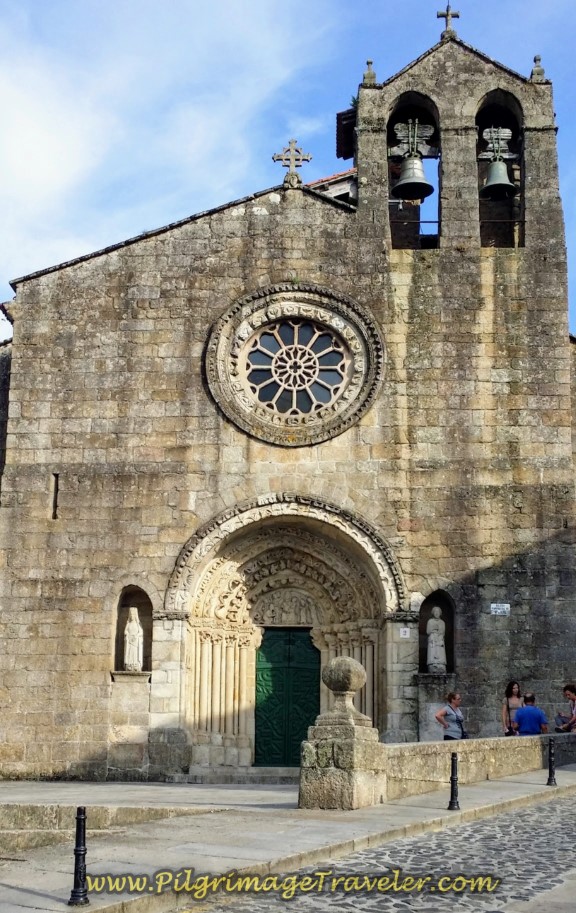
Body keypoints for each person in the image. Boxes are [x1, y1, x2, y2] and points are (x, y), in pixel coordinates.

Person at [426, 606, 447, 673]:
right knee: (432, 652)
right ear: (433, 613)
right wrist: (433, 629)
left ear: (440, 613)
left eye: (438, 612)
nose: (436, 613)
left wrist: (439, 633)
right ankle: (432, 665)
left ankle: (441, 665)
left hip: (439, 639)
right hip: (432, 640)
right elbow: (428, 631)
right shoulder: (430, 621)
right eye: (435, 611)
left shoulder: (442, 622)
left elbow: (443, 632)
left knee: (440, 651)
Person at [124, 606, 144, 672]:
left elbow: (141, 632)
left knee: (135, 653)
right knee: (130, 653)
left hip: (136, 642)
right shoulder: (128, 624)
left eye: (133, 615)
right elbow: (125, 631)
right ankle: (129, 665)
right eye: (131, 615)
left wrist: (136, 636)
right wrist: (128, 634)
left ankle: (136, 664)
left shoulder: (138, 624)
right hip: (129, 641)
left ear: (135, 616)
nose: (132, 616)